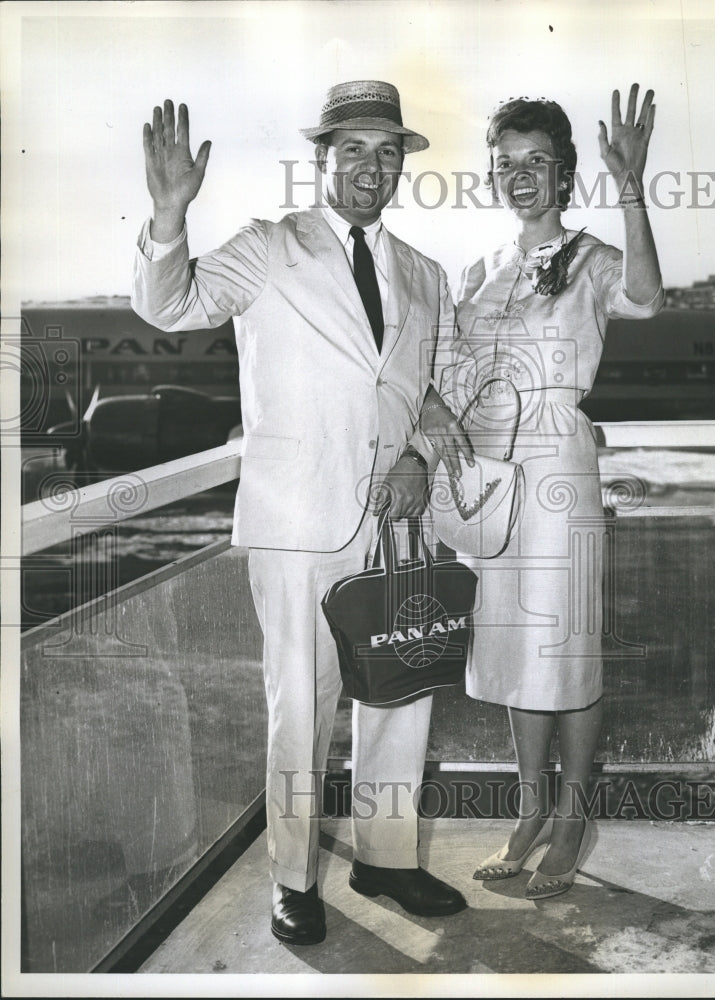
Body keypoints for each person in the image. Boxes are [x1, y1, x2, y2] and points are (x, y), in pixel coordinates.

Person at [132, 80, 468, 946]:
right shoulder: (268, 249)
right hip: (295, 522)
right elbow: (168, 306)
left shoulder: (424, 276)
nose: (371, 165)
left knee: (400, 690)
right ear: (321, 160)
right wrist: (169, 217)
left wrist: (419, 454)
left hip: (393, 519)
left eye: (386, 150)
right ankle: (292, 875)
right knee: (302, 704)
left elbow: (437, 386)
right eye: (351, 148)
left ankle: (387, 858)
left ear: (402, 166)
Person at [419, 85, 663, 898]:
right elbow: (447, 370)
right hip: (492, 477)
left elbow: (646, 296)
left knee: (567, 648)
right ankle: (527, 811)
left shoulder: (593, 258)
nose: (519, 177)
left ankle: (572, 815)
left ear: (563, 176)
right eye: (505, 165)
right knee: (514, 653)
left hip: (558, 467)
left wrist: (630, 184)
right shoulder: (480, 270)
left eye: (537, 164)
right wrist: (430, 407)